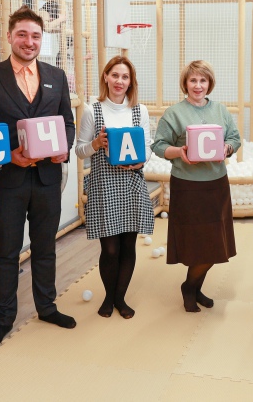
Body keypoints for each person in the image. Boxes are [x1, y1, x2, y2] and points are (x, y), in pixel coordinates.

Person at [0, 5, 76, 348]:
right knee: (7, 252)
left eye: (35, 36)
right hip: (8, 181)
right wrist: (7, 156)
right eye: (22, 35)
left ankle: (47, 307)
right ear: (9, 37)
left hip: (48, 177)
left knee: (46, 247)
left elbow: (67, 123)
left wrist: (64, 149)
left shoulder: (56, 76)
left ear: (42, 39)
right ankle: (4, 319)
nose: (29, 42)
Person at [151, 60, 241, 312]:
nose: (198, 85)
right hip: (187, 186)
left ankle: (191, 286)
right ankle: (191, 288)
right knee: (194, 243)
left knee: (214, 244)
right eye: (193, 80)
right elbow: (159, 146)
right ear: (185, 83)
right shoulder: (174, 113)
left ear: (209, 83)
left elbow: (234, 138)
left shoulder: (221, 110)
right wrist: (180, 152)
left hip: (216, 185)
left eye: (203, 80)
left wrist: (227, 148)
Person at [75, 56, 155, 319]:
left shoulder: (139, 111)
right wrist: (96, 143)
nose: (120, 81)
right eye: (115, 75)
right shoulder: (93, 110)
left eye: (125, 77)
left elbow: (147, 147)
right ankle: (109, 296)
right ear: (106, 77)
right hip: (103, 185)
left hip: (132, 184)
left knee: (128, 246)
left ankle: (120, 298)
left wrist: (140, 161)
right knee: (110, 248)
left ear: (131, 82)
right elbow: (79, 150)